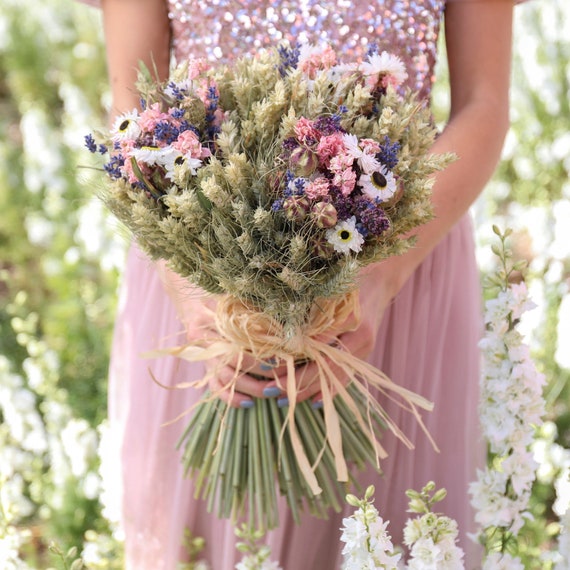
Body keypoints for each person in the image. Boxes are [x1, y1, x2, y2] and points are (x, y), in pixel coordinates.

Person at [80, 0, 517, 568]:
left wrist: (380, 279)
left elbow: (483, 102)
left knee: (390, 523)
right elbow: (134, 103)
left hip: (401, 255)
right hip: (197, 261)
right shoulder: (194, 280)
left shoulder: (390, 274)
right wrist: (193, 289)